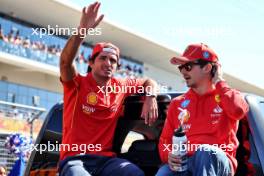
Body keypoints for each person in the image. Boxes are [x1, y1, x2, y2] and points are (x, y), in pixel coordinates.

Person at [59, 2, 158, 176]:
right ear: (91, 63)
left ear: (117, 66)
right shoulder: (77, 83)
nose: (108, 63)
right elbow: (65, 63)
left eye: (113, 60)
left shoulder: (121, 86)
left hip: (106, 161)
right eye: (102, 58)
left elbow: (149, 81)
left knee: (135, 173)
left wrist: (150, 97)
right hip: (76, 159)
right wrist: (82, 30)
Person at [156, 43, 249, 176]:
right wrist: (168, 155)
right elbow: (165, 141)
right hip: (184, 163)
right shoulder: (177, 103)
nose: (183, 72)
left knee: (205, 151)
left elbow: (238, 111)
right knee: (164, 172)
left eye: (188, 66)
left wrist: (219, 81)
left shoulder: (228, 95)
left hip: (218, 161)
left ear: (207, 67)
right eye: (181, 68)